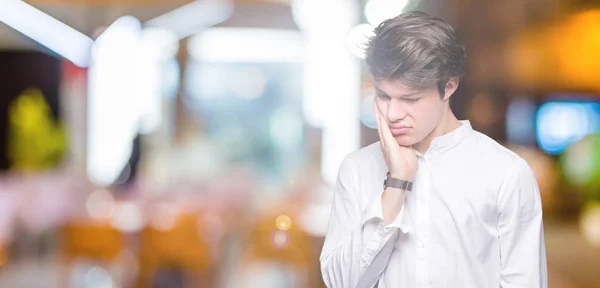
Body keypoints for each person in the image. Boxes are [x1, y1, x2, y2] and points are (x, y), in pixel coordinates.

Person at [320, 11, 547, 288]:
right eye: (383, 95)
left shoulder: (506, 174)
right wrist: (397, 182)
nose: (392, 113)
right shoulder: (356, 169)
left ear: (449, 86)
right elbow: (340, 283)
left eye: (410, 98)